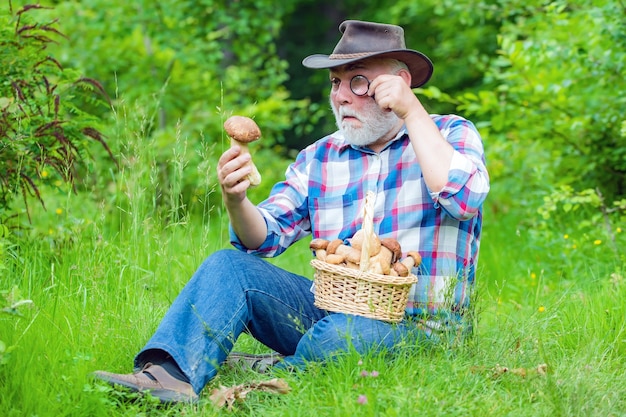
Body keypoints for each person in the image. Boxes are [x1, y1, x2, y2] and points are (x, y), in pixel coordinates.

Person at [94, 19, 490, 404]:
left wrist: (412, 112)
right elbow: (262, 239)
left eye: (358, 81)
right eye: (335, 83)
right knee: (228, 266)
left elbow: (463, 198)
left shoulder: (449, 133)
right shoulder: (318, 156)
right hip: (328, 311)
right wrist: (237, 200)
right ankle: (167, 375)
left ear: (400, 84)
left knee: (345, 334)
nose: (341, 96)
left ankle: (276, 377)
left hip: (419, 328)